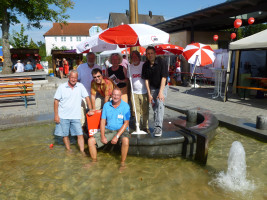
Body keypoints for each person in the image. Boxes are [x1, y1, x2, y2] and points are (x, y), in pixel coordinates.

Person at [88, 88, 130, 168]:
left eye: (118, 95)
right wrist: (103, 136)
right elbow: (103, 121)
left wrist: (117, 136)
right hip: (109, 129)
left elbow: (126, 123)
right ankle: (94, 161)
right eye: (114, 94)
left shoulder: (125, 106)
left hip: (121, 129)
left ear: (121, 96)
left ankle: (122, 163)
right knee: (90, 141)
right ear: (111, 95)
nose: (116, 97)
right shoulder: (106, 105)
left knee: (125, 140)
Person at [54, 70, 93, 153]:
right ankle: (69, 150)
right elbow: (56, 101)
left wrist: (90, 109)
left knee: (80, 134)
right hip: (63, 116)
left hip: (76, 115)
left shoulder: (80, 86)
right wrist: (56, 115)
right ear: (68, 77)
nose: (73, 79)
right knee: (65, 135)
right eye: (72, 77)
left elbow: (87, 97)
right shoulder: (62, 87)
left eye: (75, 78)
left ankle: (82, 152)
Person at [142, 46, 168, 137]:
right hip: (152, 87)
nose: (150, 55)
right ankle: (157, 124)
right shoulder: (145, 65)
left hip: (162, 86)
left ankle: (158, 127)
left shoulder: (162, 62)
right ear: (146, 55)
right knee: (155, 107)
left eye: (151, 53)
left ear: (155, 54)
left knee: (160, 104)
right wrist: (149, 94)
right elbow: (146, 80)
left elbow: (164, 77)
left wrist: (161, 92)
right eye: (148, 53)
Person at [128, 50, 149, 132]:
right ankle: (138, 126)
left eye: (136, 56)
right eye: (132, 57)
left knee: (145, 110)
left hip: (144, 91)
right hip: (134, 92)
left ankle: (145, 126)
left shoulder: (143, 65)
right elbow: (128, 79)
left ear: (139, 57)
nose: (134, 58)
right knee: (136, 110)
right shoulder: (129, 67)